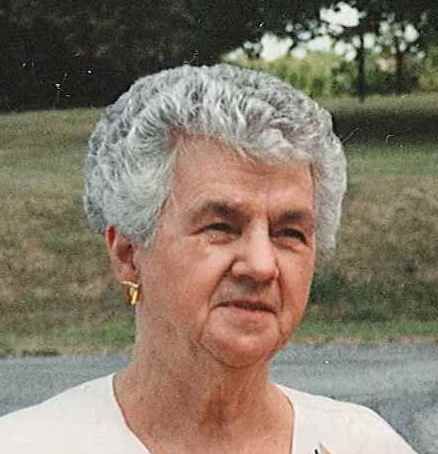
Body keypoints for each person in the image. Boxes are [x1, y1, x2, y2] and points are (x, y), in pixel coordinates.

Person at [0, 64, 417, 454]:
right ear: (128, 254)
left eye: (289, 233)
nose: (261, 265)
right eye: (220, 227)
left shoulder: (364, 443)